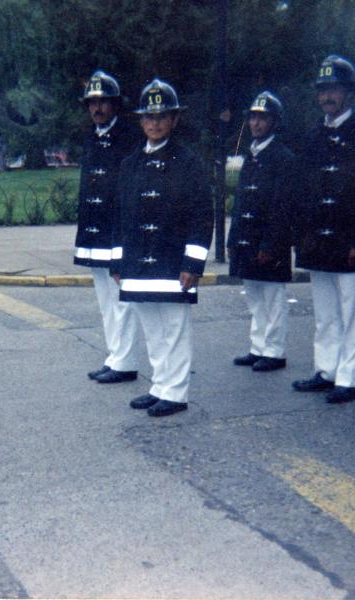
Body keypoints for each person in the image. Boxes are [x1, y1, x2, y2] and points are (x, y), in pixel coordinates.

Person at [111, 79, 213, 417]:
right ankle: (159, 384)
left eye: (161, 116)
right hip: (139, 263)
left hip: (172, 262)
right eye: (148, 118)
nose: (154, 123)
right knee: (152, 329)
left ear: (174, 120)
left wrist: (193, 264)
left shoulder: (189, 163)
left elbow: (202, 216)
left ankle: (176, 391)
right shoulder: (130, 164)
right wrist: (118, 261)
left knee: (173, 327)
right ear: (141, 121)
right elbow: (120, 215)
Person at [292, 55, 355, 404]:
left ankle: (349, 379)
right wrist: (302, 236)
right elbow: (303, 190)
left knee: (353, 313)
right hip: (318, 240)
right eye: (322, 91)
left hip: (350, 241)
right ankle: (327, 370)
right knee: (325, 312)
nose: (327, 97)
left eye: (334, 89)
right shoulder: (313, 136)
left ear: (348, 92)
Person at [74, 70, 141, 384]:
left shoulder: (129, 139)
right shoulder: (92, 137)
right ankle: (115, 355)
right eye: (92, 103)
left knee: (121, 300)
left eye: (102, 102)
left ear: (115, 105)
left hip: (117, 232)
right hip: (93, 231)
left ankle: (125, 362)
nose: (96, 108)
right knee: (105, 301)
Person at [228, 91, 294, 372]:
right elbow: (240, 200)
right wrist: (232, 238)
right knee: (254, 296)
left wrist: (270, 244)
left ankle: (275, 351)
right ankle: (258, 347)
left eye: (262, 118)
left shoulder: (282, 157)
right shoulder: (250, 156)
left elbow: (281, 206)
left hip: (269, 241)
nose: (256, 123)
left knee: (272, 298)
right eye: (253, 117)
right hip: (246, 238)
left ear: (274, 122)